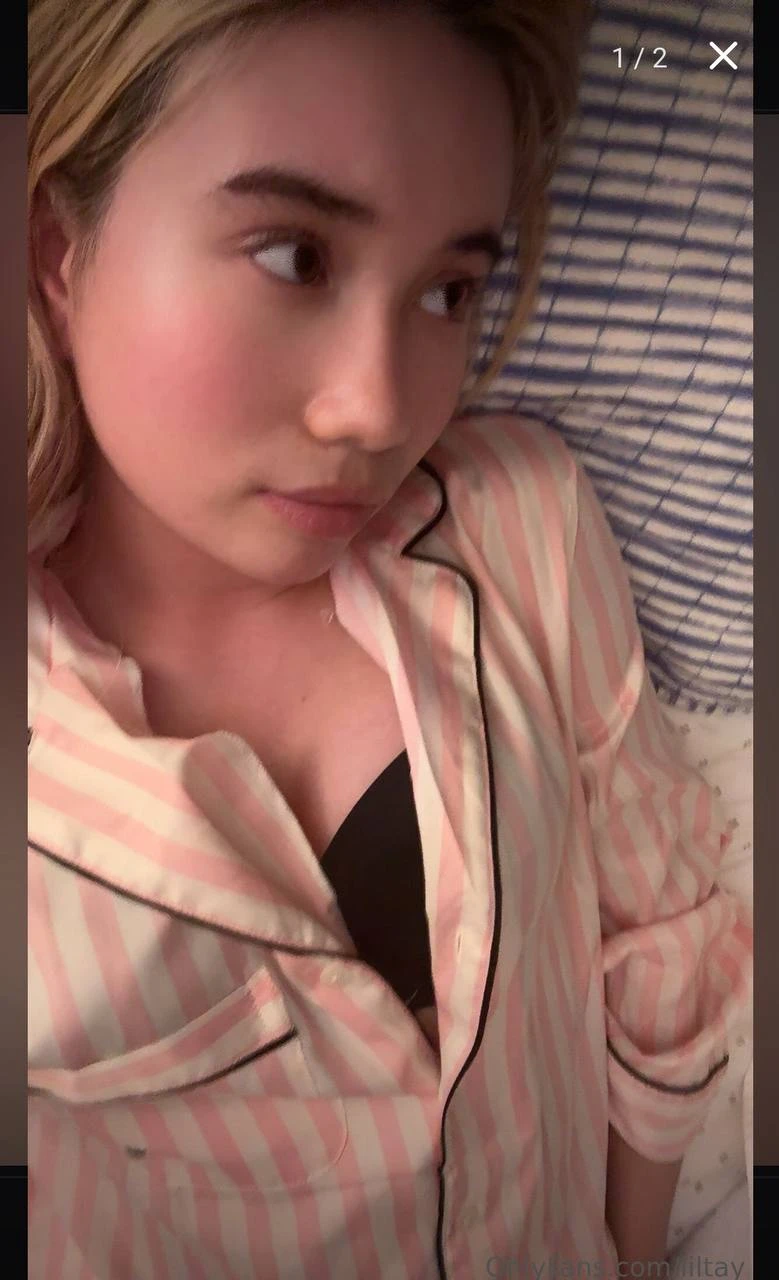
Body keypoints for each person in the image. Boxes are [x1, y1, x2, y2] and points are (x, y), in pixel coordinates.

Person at [26, 2, 751, 1277]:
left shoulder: (518, 521)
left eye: (446, 290)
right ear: (57, 251)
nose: (377, 405)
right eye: (293, 255)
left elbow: (661, 930)